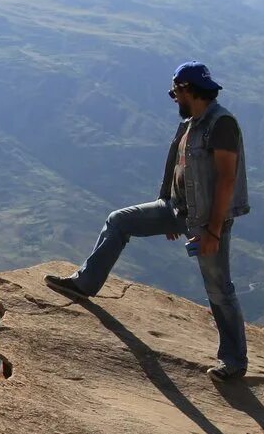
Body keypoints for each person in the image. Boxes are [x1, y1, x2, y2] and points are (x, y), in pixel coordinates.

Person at [45, 61, 250, 380]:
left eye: (175, 92)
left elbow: (226, 179)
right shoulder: (192, 122)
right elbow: (178, 165)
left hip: (207, 220)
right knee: (118, 221)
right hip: (177, 209)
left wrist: (213, 230)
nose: (174, 99)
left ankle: (234, 362)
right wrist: (167, 209)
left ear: (188, 89)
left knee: (219, 289)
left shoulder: (221, 124)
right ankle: (85, 283)